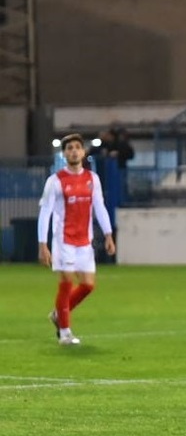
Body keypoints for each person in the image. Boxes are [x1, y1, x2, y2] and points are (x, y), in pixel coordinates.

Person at [37, 133, 117, 346]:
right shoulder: (55, 181)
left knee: (88, 285)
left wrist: (108, 234)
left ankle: (58, 314)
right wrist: (43, 245)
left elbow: (99, 207)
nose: (73, 151)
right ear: (64, 154)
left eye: (77, 147)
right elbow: (45, 213)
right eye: (69, 148)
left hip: (84, 241)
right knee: (66, 283)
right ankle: (65, 333)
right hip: (63, 240)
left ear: (83, 152)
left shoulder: (93, 179)